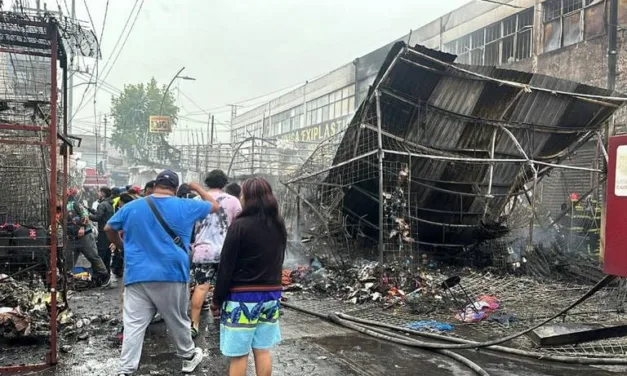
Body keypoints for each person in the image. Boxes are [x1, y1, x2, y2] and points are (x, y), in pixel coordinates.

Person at [105, 170, 220, 376]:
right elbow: (215, 205)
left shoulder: (132, 206)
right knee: (176, 319)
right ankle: (188, 357)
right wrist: (196, 187)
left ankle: (125, 369)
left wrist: (122, 246)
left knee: (133, 324)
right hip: (171, 273)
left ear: (156, 185)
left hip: (137, 274)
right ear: (175, 189)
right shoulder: (185, 205)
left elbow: (108, 228)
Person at [211, 177, 286, 376]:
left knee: (239, 355)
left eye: (242, 194)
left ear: (247, 198)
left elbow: (226, 266)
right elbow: (279, 260)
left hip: (242, 299)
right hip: (271, 296)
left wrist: (217, 299)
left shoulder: (240, 226)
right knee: (262, 350)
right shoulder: (278, 225)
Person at [189, 170, 241, 338]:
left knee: (201, 287)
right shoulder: (233, 201)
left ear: (207, 182)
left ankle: (194, 324)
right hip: (226, 251)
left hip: (202, 251)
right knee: (227, 286)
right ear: (224, 183)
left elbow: (191, 226)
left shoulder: (196, 201)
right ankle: (225, 318)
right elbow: (238, 225)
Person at [66, 188, 110, 287]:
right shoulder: (59, 208)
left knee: (93, 256)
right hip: (72, 237)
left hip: (84, 235)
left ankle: (104, 276)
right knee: (68, 259)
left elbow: (85, 214)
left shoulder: (74, 204)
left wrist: (82, 227)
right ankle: (67, 278)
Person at [89, 187, 115, 276]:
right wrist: (90, 210)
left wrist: (87, 216)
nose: (98, 193)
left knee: (100, 253)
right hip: (109, 232)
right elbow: (101, 214)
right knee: (107, 254)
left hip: (103, 232)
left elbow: (97, 217)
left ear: (103, 193)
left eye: (99, 192)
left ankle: (98, 275)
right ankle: (106, 274)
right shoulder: (109, 204)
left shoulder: (103, 204)